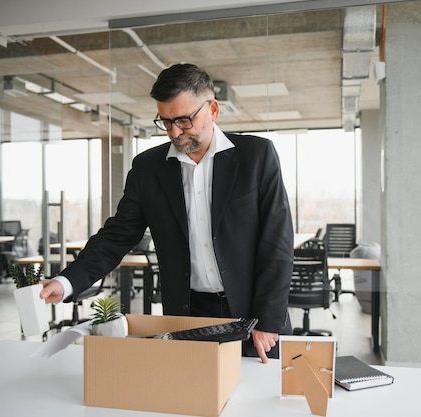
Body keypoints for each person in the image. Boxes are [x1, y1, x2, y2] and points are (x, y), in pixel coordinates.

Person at [40, 63, 294, 363]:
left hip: (253, 315)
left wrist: (267, 320)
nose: (175, 131)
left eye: (184, 120)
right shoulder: (148, 168)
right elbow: (116, 236)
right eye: (166, 121)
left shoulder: (256, 156)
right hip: (187, 315)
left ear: (213, 110)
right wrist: (67, 281)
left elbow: (276, 243)